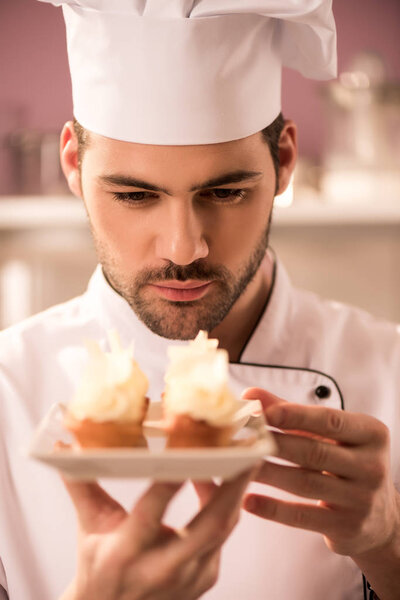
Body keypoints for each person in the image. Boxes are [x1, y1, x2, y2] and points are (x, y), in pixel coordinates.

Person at [1, 1, 399, 599]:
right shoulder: (7, 386)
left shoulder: (391, 368)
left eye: (228, 190)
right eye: (136, 196)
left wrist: (388, 543)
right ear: (74, 166)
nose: (184, 247)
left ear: (284, 161)